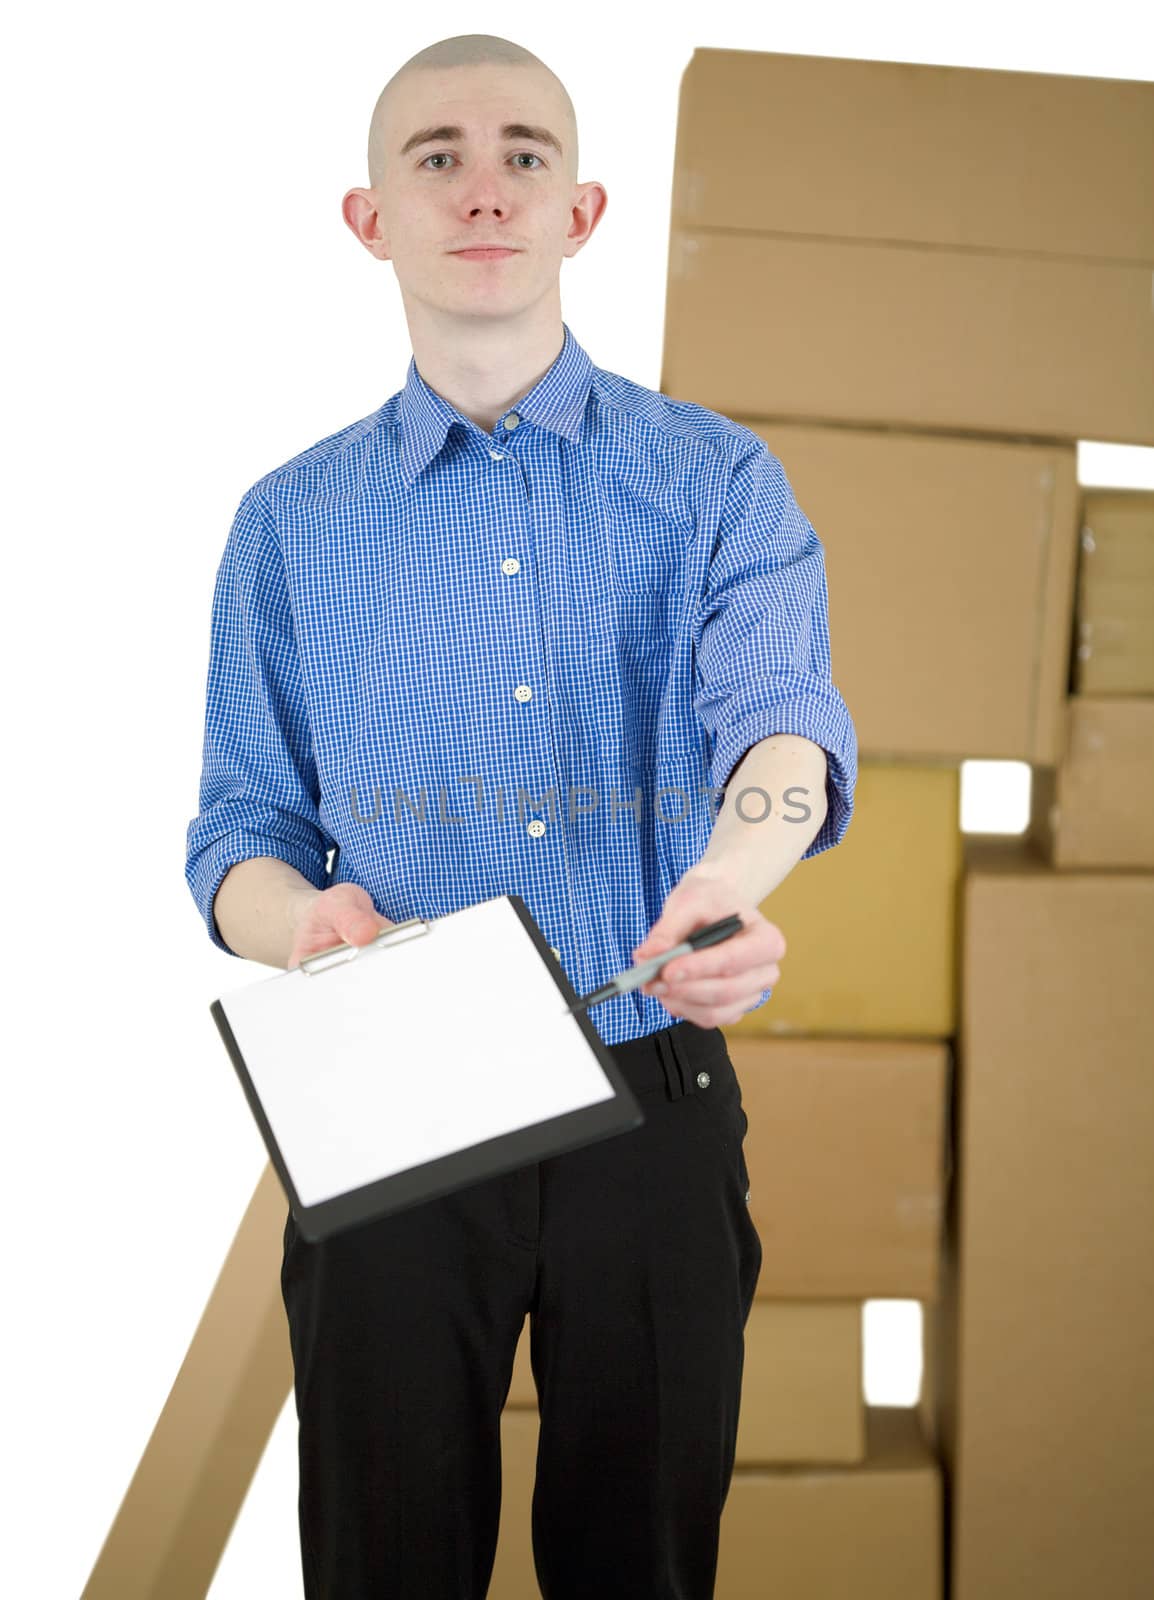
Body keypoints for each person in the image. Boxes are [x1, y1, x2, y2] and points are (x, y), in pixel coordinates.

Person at [185, 31, 857, 1599]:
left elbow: (781, 728)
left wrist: (728, 879)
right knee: (387, 1561)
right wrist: (305, 922)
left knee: (637, 1565)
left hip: (651, 1080)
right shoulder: (288, 523)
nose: (484, 189)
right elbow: (236, 826)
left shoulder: (713, 480)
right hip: (394, 1087)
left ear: (584, 209)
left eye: (524, 156)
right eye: (437, 157)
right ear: (373, 218)